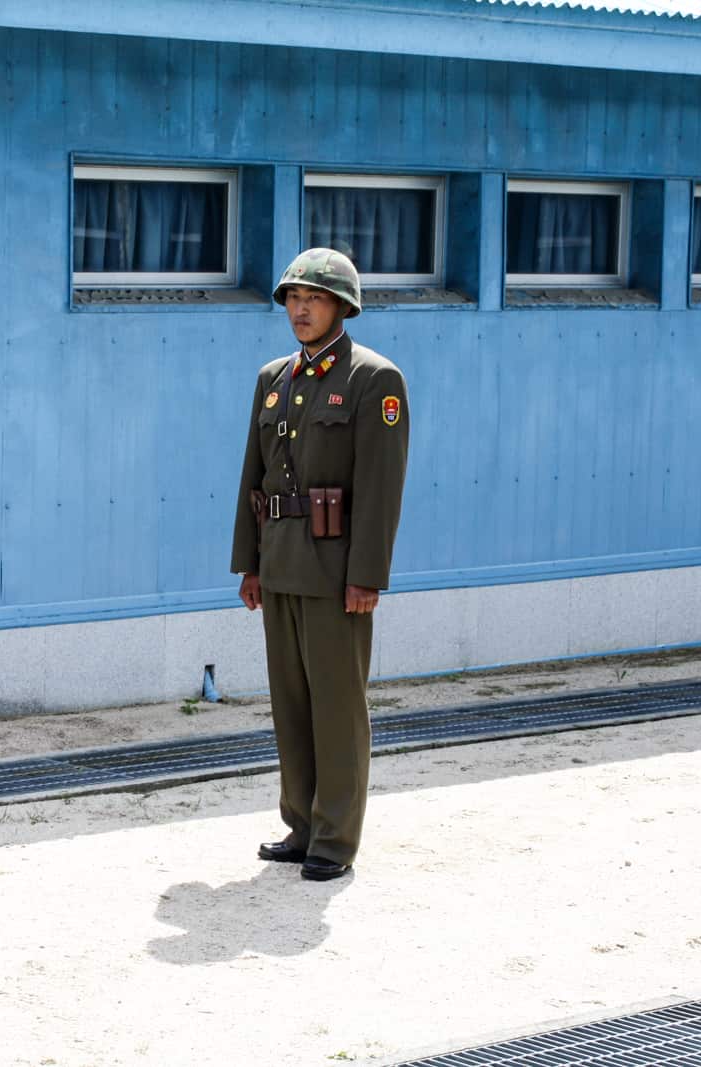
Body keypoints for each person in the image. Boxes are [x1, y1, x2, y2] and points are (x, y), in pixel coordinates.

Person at [230, 247, 409, 882]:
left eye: (315, 299)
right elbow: (253, 477)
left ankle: (335, 841)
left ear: (342, 307)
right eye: (294, 300)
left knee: (336, 706)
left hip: (336, 573)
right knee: (293, 705)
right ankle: (301, 827)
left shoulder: (372, 380)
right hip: (279, 565)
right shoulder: (273, 379)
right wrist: (248, 564)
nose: (301, 310)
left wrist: (367, 574)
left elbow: (381, 487)